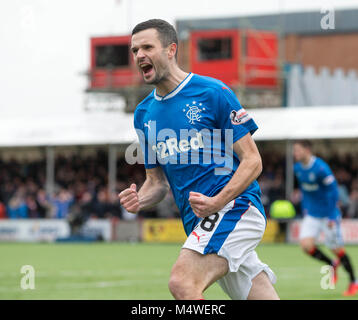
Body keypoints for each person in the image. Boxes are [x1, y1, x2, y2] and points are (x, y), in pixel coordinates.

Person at [119, 19, 278, 300]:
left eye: (147, 47)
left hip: (234, 208)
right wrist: (139, 199)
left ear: (171, 50)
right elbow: (156, 183)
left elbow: (253, 161)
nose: (139, 56)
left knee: (182, 283)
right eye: (134, 51)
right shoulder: (143, 114)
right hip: (200, 221)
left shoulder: (213, 92)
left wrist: (218, 201)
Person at [293, 140, 358, 296]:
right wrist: (305, 209)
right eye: (294, 151)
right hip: (313, 214)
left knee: (337, 249)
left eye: (298, 150)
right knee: (306, 245)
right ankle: (331, 264)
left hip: (329, 214)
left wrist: (331, 216)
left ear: (307, 150)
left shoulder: (321, 168)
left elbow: (333, 191)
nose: (295, 154)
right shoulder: (297, 168)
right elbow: (305, 191)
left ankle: (353, 282)